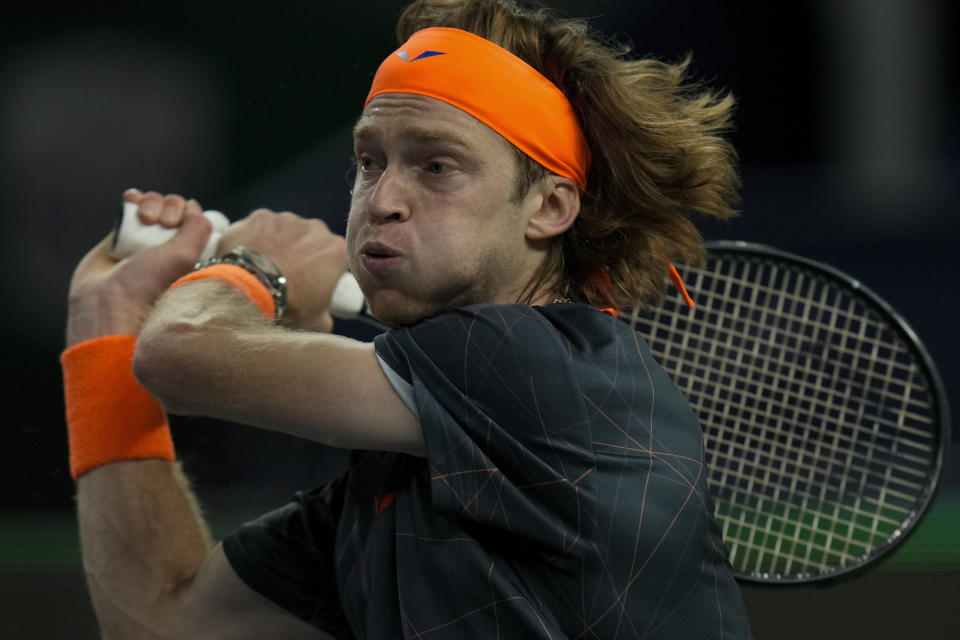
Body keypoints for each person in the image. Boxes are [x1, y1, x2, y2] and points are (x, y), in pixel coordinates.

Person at [62, 0, 750, 637]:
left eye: (437, 165)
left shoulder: (542, 360)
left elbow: (180, 354)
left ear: (548, 207)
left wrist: (258, 271)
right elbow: (161, 620)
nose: (382, 198)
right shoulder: (392, 483)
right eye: (370, 161)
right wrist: (106, 321)